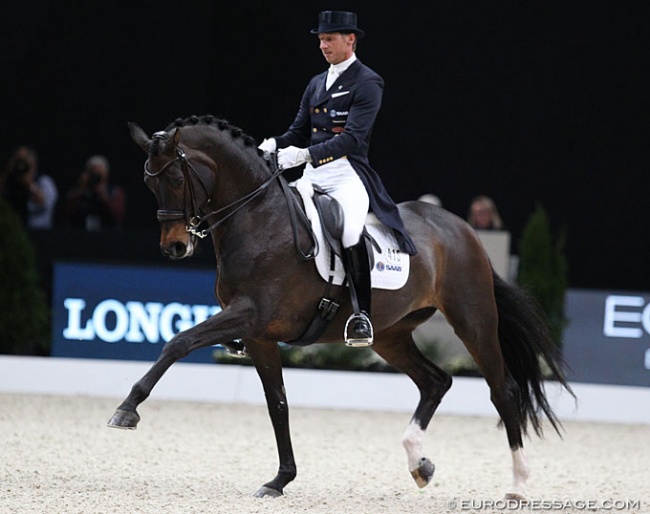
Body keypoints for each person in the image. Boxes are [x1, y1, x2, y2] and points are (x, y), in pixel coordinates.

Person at [258, 10, 416, 347]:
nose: (323, 45)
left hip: (347, 174)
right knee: (277, 220)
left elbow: (353, 139)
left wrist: (303, 155)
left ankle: (362, 316)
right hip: (313, 174)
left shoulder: (368, 81)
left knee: (349, 231)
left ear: (350, 40)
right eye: (320, 40)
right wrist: (272, 144)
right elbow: (297, 131)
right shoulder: (317, 82)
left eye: (329, 39)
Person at [0, 146, 58, 229]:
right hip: (14, 230)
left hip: (39, 233)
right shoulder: (10, 182)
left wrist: (28, 183)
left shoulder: (44, 181)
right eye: (17, 160)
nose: (20, 164)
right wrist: (8, 172)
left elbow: (44, 204)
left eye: (23, 160)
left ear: (32, 161)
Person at [65, 155, 125, 231]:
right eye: (93, 173)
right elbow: (69, 214)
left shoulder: (115, 192)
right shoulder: (79, 192)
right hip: (81, 234)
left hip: (109, 235)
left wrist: (103, 194)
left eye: (99, 173)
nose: (95, 177)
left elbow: (118, 216)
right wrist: (81, 188)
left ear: (106, 174)